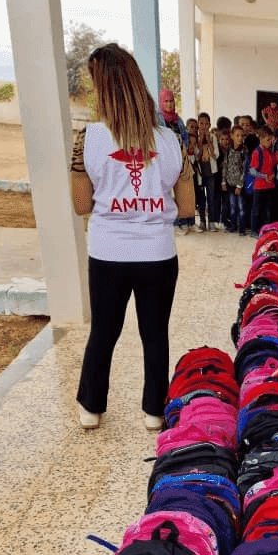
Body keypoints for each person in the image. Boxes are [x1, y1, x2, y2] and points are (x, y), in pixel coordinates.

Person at [71, 43, 183, 432]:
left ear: (102, 88)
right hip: (157, 253)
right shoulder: (170, 141)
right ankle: (154, 411)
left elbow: (81, 206)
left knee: (103, 331)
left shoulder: (88, 138)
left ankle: (91, 407)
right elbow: (187, 207)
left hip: (108, 252)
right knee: (155, 334)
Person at [249, 126, 277, 236]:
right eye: (268, 140)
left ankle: (265, 230)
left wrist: (273, 174)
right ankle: (254, 230)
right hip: (259, 187)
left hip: (270, 186)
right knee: (256, 210)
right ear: (261, 139)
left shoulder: (270, 152)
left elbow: (274, 165)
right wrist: (263, 176)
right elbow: (252, 170)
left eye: (271, 140)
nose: (270, 142)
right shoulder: (257, 152)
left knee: (267, 210)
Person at [196, 112, 221, 231]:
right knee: (201, 198)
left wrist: (210, 143)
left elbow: (216, 155)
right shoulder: (196, 138)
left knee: (211, 198)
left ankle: (211, 221)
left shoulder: (213, 137)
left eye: (206, 124)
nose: (204, 126)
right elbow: (196, 156)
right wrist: (201, 141)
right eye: (201, 124)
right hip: (200, 173)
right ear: (198, 124)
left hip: (211, 173)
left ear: (210, 125)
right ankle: (202, 221)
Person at [222, 125, 248, 234]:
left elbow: (245, 170)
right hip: (230, 184)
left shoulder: (244, 151)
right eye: (237, 135)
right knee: (232, 207)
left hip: (239, 185)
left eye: (242, 135)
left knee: (241, 207)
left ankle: (241, 228)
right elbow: (225, 165)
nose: (240, 138)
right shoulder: (229, 149)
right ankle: (233, 226)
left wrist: (239, 185)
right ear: (232, 136)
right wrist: (223, 181)